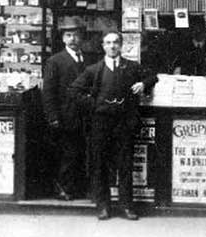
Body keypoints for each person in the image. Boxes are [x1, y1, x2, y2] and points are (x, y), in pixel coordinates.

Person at [71, 31, 157, 220]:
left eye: (116, 42)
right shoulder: (93, 70)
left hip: (124, 123)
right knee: (100, 165)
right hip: (100, 123)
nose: (112, 46)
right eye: (108, 43)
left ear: (121, 45)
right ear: (103, 46)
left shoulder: (132, 67)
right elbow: (75, 91)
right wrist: (95, 105)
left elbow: (153, 77)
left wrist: (143, 84)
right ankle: (103, 206)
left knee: (125, 165)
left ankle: (127, 206)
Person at [42, 20, 88, 200]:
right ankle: (63, 188)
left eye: (76, 35)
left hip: (83, 115)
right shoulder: (55, 61)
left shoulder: (87, 58)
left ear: (82, 37)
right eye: (68, 35)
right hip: (65, 115)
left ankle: (77, 187)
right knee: (66, 154)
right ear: (62, 38)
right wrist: (53, 116)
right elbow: (48, 91)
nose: (73, 39)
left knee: (79, 152)